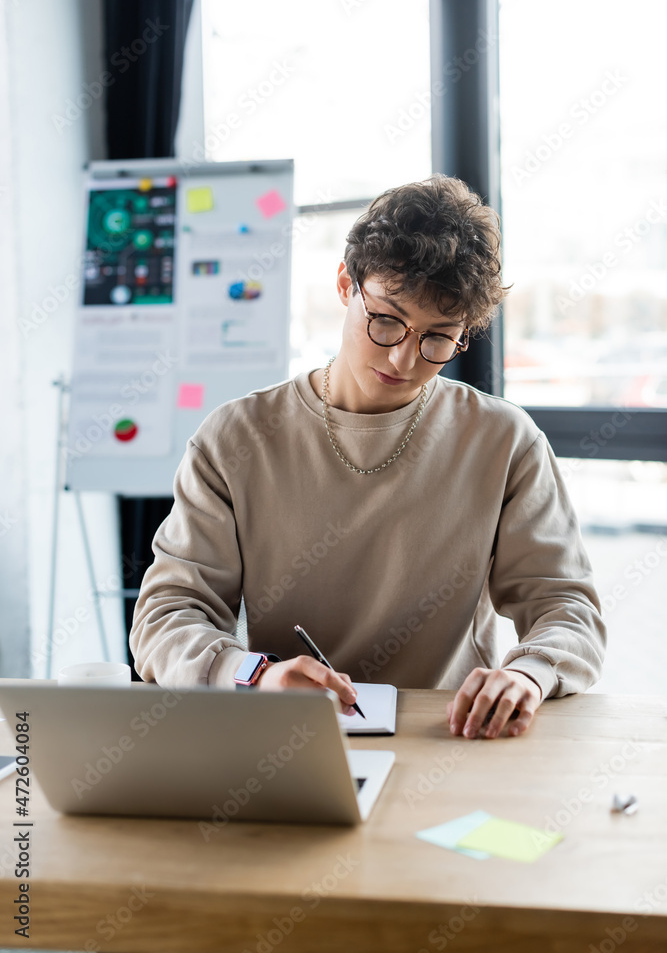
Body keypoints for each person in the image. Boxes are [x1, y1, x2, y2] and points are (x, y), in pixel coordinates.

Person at [130, 173, 605, 740]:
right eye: (385, 319)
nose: (404, 359)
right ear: (344, 284)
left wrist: (530, 673)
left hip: (453, 737)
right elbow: (166, 615)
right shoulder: (236, 439)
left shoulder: (504, 441)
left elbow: (567, 607)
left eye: (438, 338)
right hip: (290, 735)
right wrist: (255, 676)